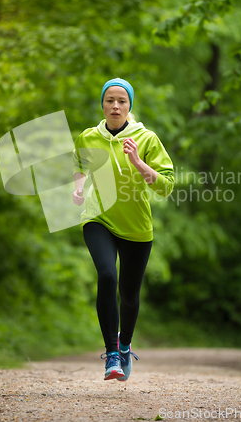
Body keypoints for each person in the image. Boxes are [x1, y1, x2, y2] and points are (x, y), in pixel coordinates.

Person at [72, 77, 175, 381]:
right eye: (109, 101)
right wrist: (78, 189)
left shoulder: (147, 139)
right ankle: (112, 355)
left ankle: (125, 344)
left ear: (130, 106)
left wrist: (138, 162)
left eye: (122, 101)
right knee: (106, 275)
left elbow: (167, 186)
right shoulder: (88, 136)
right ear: (102, 104)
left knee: (128, 295)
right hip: (98, 217)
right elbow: (80, 165)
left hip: (136, 227)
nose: (115, 106)